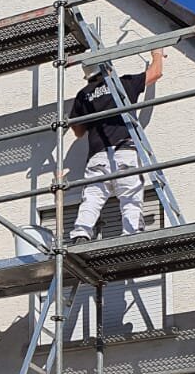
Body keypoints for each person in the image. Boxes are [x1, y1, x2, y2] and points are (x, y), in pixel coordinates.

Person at [67, 49, 165, 242]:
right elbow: (156, 73)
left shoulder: (83, 95)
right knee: (130, 196)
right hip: (124, 151)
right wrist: (157, 54)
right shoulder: (121, 84)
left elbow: (77, 131)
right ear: (107, 66)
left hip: (97, 156)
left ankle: (81, 234)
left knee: (92, 197)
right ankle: (132, 234)